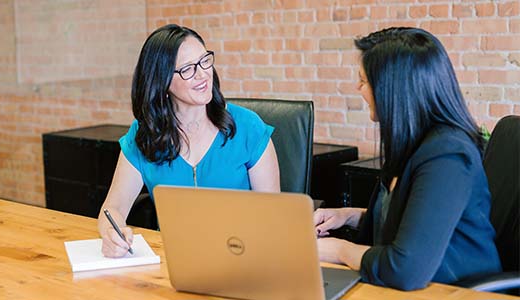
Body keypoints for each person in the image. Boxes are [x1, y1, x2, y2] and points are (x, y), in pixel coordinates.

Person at [313, 27, 502, 290]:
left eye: (363, 80)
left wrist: (339, 250)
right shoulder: (414, 143)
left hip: (455, 291)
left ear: (393, 90)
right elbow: (412, 218)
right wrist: (349, 216)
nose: (357, 88)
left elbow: (405, 269)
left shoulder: (448, 155)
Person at [98, 24, 280, 258]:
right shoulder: (144, 136)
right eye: (187, 69)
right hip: (172, 261)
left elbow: (273, 216)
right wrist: (112, 235)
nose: (203, 74)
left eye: (205, 60)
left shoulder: (248, 128)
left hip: (242, 257)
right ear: (162, 82)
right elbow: (112, 209)